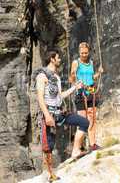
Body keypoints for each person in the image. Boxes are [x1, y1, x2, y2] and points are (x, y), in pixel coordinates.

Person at [35, 50, 89, 182]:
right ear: (52, 59)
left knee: (84, 123)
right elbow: (40, 98)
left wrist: (74, 88)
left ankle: (75, 150)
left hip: (60, 112)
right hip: (49, 114)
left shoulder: (56, 77)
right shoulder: (41, 76)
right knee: (48, 146)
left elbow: (60, 96)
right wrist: (47, 116)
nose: (60, 60)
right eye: (58, 58)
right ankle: (49, 174)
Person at [69, 42, 103, 151]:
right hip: (81, 93)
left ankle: (92, 144)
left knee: (92, 118)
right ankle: (80, 146)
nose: (84, 55)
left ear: (88, 52)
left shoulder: (91, 63)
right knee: (83, 120)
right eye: (82, 53)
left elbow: (92, 78)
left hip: (91, 92)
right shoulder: (76, 62)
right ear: (79, 52)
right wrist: (73, 76)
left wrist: (98, 73)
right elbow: (72, 79)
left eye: (86, 53)